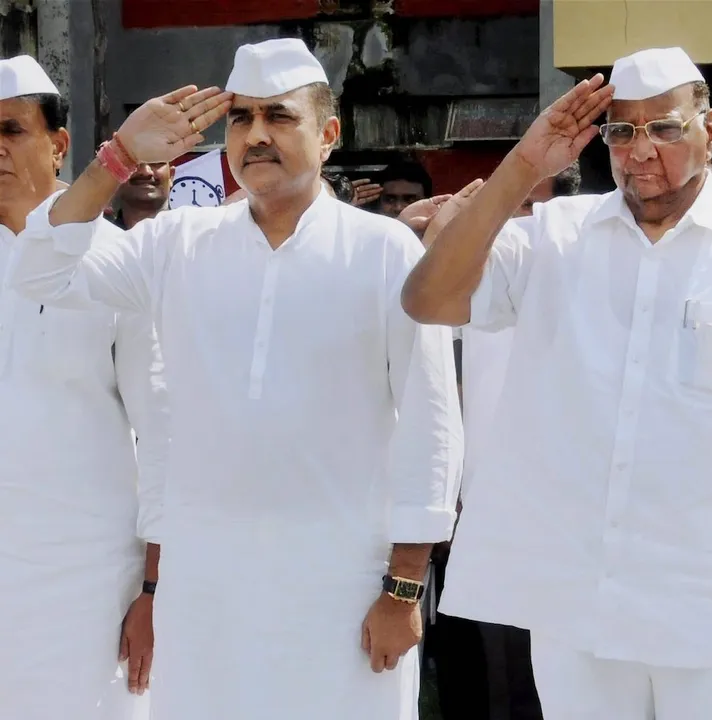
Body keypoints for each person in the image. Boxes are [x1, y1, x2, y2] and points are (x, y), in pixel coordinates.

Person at [401, 46, 712, 719]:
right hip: (581, 607)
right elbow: (429, 298)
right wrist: (524, 167)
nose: (639, 150)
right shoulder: (556, 238)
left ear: (709, 131)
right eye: (621, 131)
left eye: (664, 128)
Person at [12, 38, 463, 720]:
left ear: (329, 134)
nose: (256, 136)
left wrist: (403, 588)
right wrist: (119, 157)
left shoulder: (383, 251)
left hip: (339, 585)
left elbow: (432, 426)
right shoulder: (177, 245)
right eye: (242, 119)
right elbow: (40, 270)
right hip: (207, 592)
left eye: (279, 118)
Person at [0, 55, 167, 720]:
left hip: (90, 574)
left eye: (11, 130)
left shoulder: (117, 259)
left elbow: (162, 428)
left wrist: (157, 586)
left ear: (59, 144)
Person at [113, 162, 173, 229]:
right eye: (133, 161)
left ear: (171, 175)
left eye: (155, 161)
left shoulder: (186, 231)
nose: (145, 172)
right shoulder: (102, 237)